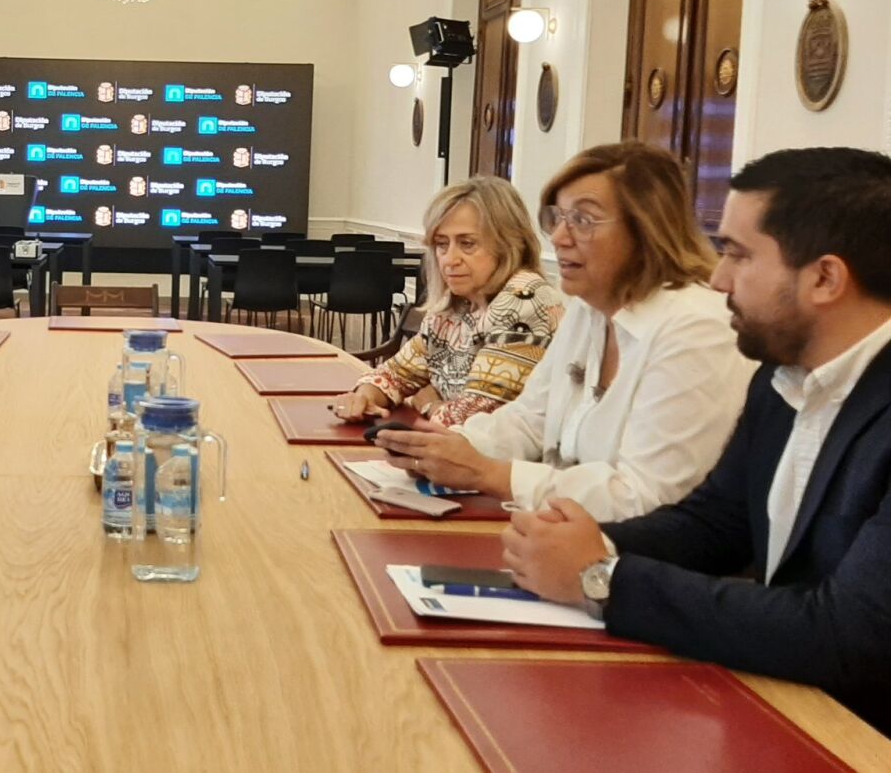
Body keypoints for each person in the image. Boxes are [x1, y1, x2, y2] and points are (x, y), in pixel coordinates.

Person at [501, 147, 891, 734]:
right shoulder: (783, 377)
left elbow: (848, 633)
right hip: (787, 704)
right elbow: (716, 524)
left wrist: (602, 578)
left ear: (825, 278)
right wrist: (575, 542)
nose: (717, 278)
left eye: (738, 254)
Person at [374, 142, 755, 521]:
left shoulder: (697, 327)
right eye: (556, 218)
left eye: (583, 220)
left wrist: (488, 473)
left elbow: (647, 498)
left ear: (647, 230)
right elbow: (529, 419)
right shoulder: (589, 309)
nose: (558, 237)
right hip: (561, 532)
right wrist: (447, 449)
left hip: (631, 552)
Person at [334, 177, 564, 426]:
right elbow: (396, 374)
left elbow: (475, 421)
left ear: (508, 244)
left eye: (467, 244)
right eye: (442, 245)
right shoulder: (456, 303)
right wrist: (364, 397)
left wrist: (427, 403)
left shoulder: (524, 300)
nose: (449, 259)